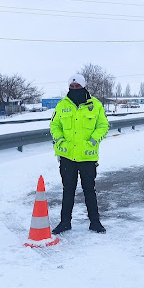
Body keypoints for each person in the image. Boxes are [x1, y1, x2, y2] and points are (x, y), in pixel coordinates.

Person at [50, 73, 109, 234]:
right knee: (68, 190)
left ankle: (95, 222)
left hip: (87, 156)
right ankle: (64, 222)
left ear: (83, 87)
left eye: (77, 86)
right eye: (72, 86)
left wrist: (94, 140)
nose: (74, 89)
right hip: (67, 156)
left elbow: (103, 125)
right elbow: (54, 125)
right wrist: (59, 140)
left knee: (89, 190)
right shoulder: (62, 105)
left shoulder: (95, 105)